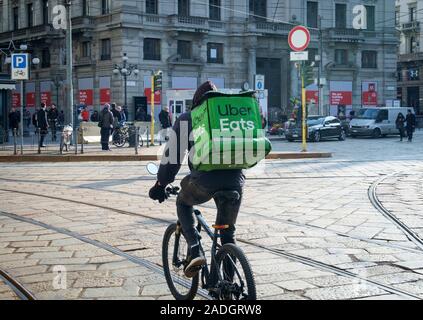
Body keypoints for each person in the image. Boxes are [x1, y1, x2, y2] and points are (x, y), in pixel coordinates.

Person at [149, 81, 245, 278]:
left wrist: (161, 183)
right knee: (228, 234)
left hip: (204, 180)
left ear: (196, 100)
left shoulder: (188, 118)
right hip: (236, 180)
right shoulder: (227, 115)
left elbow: (173, 157)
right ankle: (228, 287)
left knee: (183, 202)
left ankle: (195, 249)